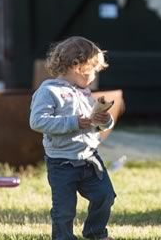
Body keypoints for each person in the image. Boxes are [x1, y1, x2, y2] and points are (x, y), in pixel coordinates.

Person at [30, 36, 116, 240]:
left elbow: (95, 123)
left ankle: (96, 233)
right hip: (62, 163)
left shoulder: (84, 93)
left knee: (105, 196)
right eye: (92, 70)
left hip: (89, 159)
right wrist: (75, 122)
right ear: (77, 65)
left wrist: (104, 119)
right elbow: (38, 122)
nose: (94, 76)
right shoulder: (49, 91)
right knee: (64, 210)